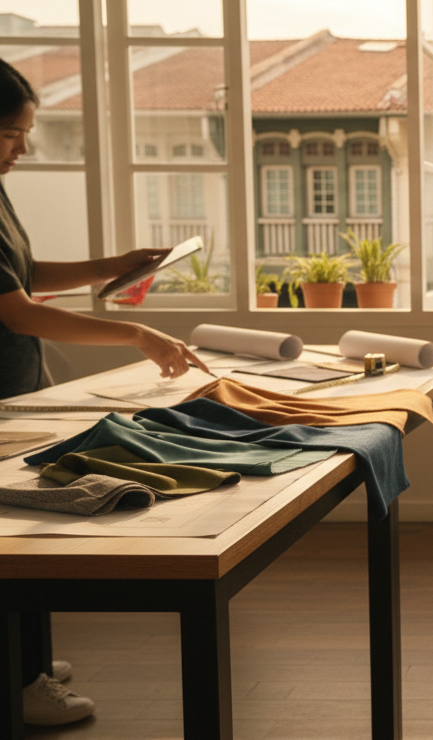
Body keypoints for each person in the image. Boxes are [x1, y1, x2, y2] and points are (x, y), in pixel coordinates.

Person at [1, 57, 210, 726]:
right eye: (10, 134)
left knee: (21, 535)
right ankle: (17, 681)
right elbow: (21, 311)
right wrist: (136, 334)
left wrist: (109, 267)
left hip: (14, 382)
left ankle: (24, 658)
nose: (24, 150)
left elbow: (23, 275)